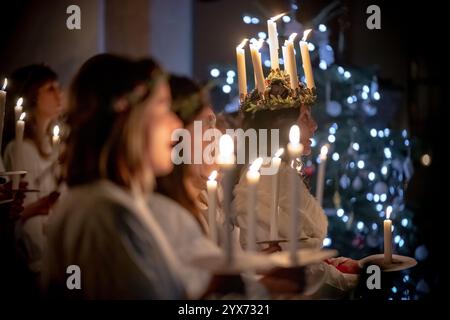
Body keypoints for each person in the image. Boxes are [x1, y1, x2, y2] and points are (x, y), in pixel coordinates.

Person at [42, 54, 184, 299]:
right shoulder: (102, 214)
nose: (177, 124)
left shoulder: (121, 203)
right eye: (162, 105)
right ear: (126, 117)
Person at [233, 72, 359, 298]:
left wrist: (332, 262)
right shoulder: (266, 175)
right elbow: (279, 266)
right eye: (304, 118)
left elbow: (297, 249)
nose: (314, 125)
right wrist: (354, 282)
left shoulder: (279, 172)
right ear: (281, 127)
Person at [2, 64, 62, 273]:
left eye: (58, 87)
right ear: (32, 96)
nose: (59, 94)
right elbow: (21, 218)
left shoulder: (52, 146)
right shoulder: (20, 149)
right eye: (50, 89)